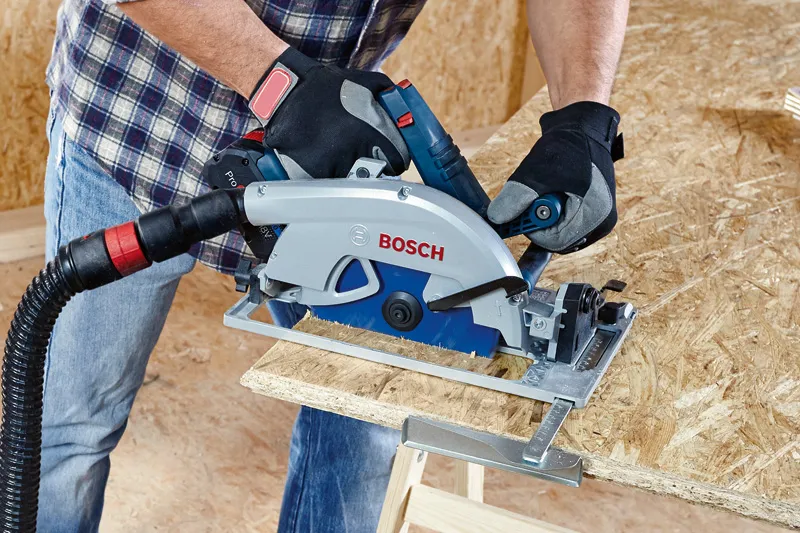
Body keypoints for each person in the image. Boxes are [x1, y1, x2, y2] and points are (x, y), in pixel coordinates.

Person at [41, 0, 629, 530]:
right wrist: (279, 85)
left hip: (324, 153)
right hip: (136, 122)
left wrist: (582, 117)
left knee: (360, 429)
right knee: (72, 428)